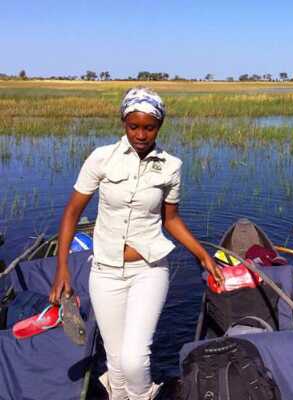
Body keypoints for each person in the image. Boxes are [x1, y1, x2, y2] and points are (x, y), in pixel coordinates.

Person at [49, 87, 224, 400]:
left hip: (149, 269)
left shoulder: (171, 165)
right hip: (104, 271)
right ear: (123, 123)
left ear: (160, 125)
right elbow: (72, 212)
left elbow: (171, 219)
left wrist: (203, 255)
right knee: (115, 363)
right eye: (134, 126)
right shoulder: (101, 158)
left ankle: (144, 394)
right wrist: (62, 268)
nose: (141, 134)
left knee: (134, 359)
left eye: (149, 127)